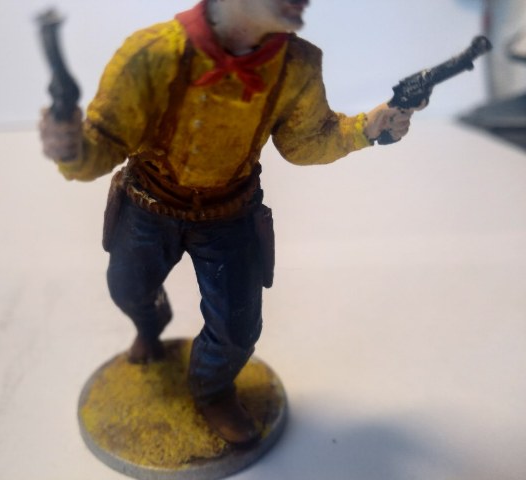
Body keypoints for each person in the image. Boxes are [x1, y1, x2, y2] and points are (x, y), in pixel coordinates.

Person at [39, 0, 414, 446]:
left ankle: (212, 390)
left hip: (229, 215)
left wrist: (366, 129)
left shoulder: (297, 65)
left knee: (237, 329)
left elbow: (306, 142)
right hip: (148, 206)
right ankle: (149, 328)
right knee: (128, 289)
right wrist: (71, 150)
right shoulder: (152, 54)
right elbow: (105, 141)